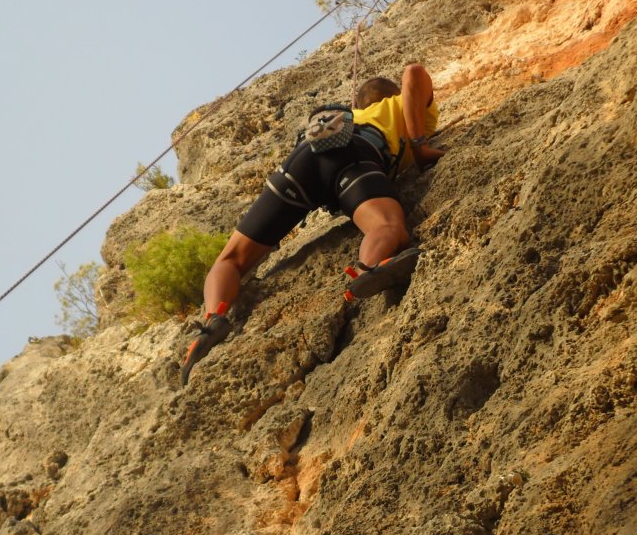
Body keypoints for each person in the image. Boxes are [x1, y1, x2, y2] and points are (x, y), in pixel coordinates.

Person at [181, 63, 442, 385]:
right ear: (394, 96)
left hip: (305, 158)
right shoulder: (399, 105)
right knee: (386, 227)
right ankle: (369, 268)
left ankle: (213, 319)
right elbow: (414, 73)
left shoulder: (348, 117)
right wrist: (419, 144)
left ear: (355, 106)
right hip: (355, 158)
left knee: (231, 259)